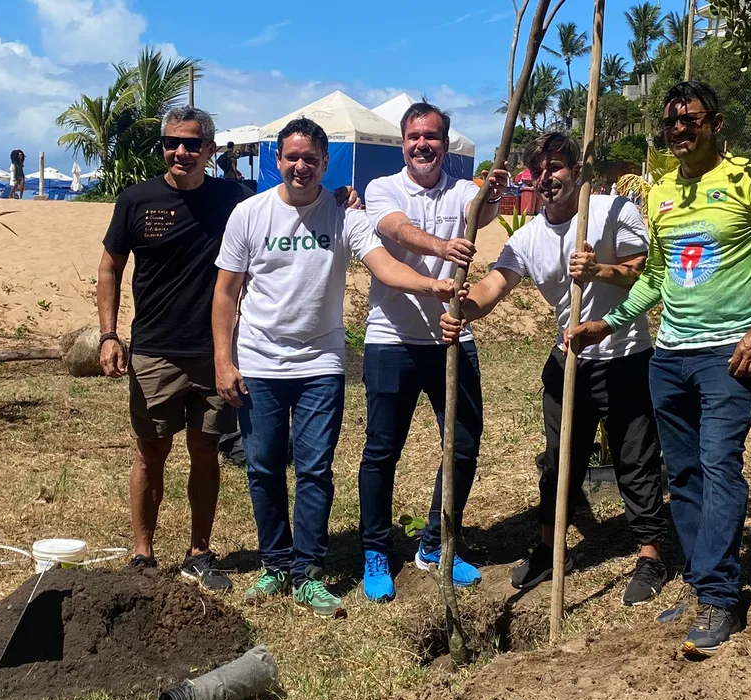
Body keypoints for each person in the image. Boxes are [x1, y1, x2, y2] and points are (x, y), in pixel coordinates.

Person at [567, 81, 751, 656]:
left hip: (729, 353)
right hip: (669, 357)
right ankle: (705, 581)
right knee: (685, 476)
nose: (679, 131)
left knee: (720, 464)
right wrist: (612, 321)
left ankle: (719, 597)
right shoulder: (661, 193)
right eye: (669, 123)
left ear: (715, 122)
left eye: (689, 120)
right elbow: (659, 274)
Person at [212, 118, 465, 618]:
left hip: (321, 364)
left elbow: (382, 265)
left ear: (326, 164)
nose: (300, 166)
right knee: (262, 467)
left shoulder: (345, 216)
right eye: (291, 157)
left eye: (311, 158)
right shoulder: (248, 214)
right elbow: (225, 292)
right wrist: (224, 359)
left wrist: (429, 284)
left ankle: (307, 571)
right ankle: (274, 564)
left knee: (314, 469)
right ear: (277, 161)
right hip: (259, 361)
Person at [97, 106, 357, 591]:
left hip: (221, 351)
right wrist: (110, 333)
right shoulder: (136, 200)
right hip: (155, 347)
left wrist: (341, 197)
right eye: (173, 142)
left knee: (205, 449)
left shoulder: (234, 199)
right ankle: (143, 554)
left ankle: (200, 551)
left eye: (193, 144)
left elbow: (291, 208)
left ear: (210, 150)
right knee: (150, 451)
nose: (182, 151)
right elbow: (109, 266)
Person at [440, 133, 668, 603]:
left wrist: (598, 270)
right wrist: (464, 306)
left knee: (635, 460)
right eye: (539, 170)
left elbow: (642, 269)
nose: (548, 177)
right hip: (569, 364)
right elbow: (494, 287)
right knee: (559, 462)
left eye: (557, 167)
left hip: (626, 358)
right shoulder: (527, 238)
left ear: (576, 170)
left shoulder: (611, 210)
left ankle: (649, 555)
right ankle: (548, 549)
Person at [357, 102, 508, 603]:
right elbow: (396, 230)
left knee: (462, 444)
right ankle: (376, 550)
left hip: (451, 339)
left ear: (445, 143)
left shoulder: (464, 191)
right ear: (403, 142)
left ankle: (435, 543)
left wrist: (494, 193)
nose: (423, 144)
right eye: (414, 136)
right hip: (391, 340)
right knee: (382, 451)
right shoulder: (384, 188)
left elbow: (482, 213)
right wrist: (442, 249)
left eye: (432, 137)